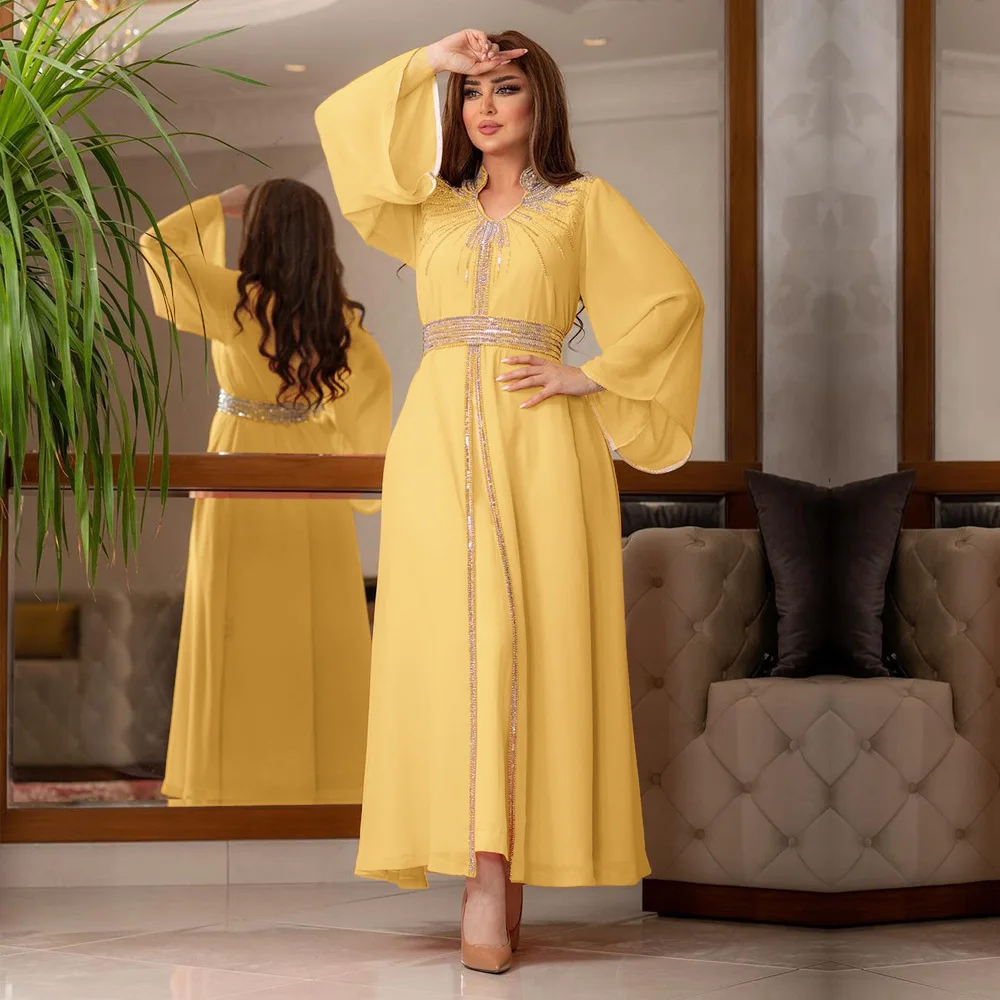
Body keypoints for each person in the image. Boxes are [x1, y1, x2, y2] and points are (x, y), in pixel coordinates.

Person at [315, 28, 703, 974]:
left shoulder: (583, 206)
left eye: (506, 88)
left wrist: (588, 375)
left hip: (541, 446)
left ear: (541, 103)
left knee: (527, 645)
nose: (485, 106)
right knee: (454, 649)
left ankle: (498, 872)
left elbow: (673, 303)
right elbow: (341, 127)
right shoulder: (425, 210)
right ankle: (482, 872)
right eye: (473, 91)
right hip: (433, 450)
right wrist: (429, 62)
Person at [139, 179, 391, 807]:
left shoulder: (238, 299)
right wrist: (352, 464)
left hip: (241, 463)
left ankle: (230, 780)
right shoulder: (339, 322)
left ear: (261, 233)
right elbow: (372, 394)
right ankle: (327, 780)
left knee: (234, 620)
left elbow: (156, 246)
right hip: (312, 471)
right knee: (316, 622)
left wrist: (217, 205)